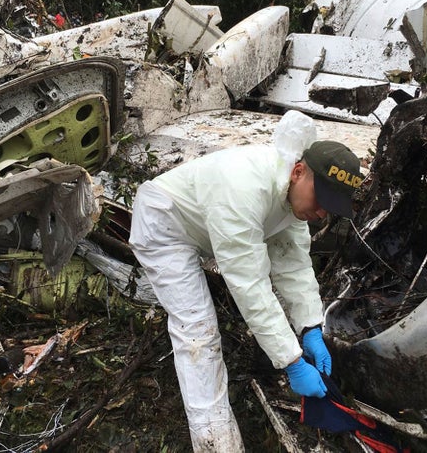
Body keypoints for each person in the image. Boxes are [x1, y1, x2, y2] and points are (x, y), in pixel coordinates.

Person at [129, 111, 363, 452]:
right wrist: (292, 362)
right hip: (164, 222)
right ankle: (216, 444)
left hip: (202, 226)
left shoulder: (290, 196)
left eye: (332, 207)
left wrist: (310, 326)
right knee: (198, 331)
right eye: (321, 200)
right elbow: (250, 285)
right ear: (299, 171)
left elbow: (294, 266)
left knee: (215, 319)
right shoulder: (244, 188)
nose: (323, 213)